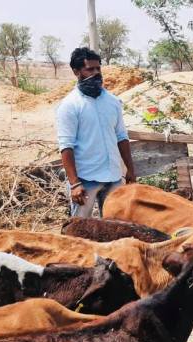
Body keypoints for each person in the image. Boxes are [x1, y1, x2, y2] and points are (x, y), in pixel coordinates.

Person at [56, 47, 135, 218]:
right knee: (80, 230)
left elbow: (122, 137)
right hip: (86, 180)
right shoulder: (70, 105)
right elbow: (66, 146)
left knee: (115, 227)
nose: (96, 73)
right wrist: (74, 183)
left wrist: (130, 169)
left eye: (98, 68)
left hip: (113, 177)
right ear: (76, 72)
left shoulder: (113, 102)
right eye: (90, 69)